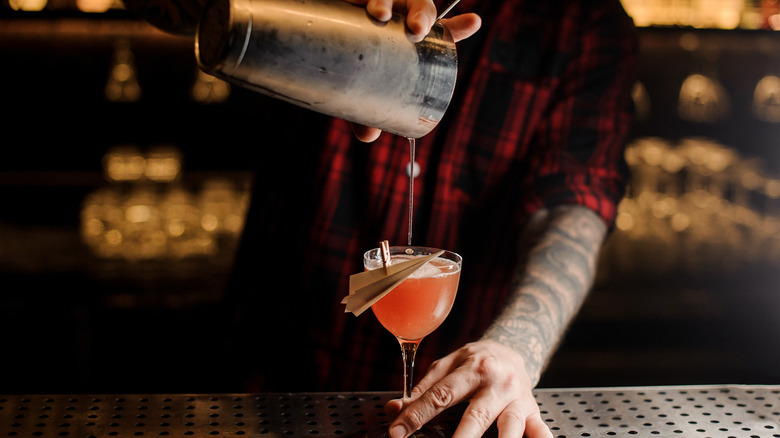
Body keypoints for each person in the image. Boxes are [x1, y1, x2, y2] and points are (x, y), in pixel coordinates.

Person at [128, 0, 638, 437]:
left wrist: (516, 347)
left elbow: (572, 209)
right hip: (272, 378)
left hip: (448, 406)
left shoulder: (585, 24)